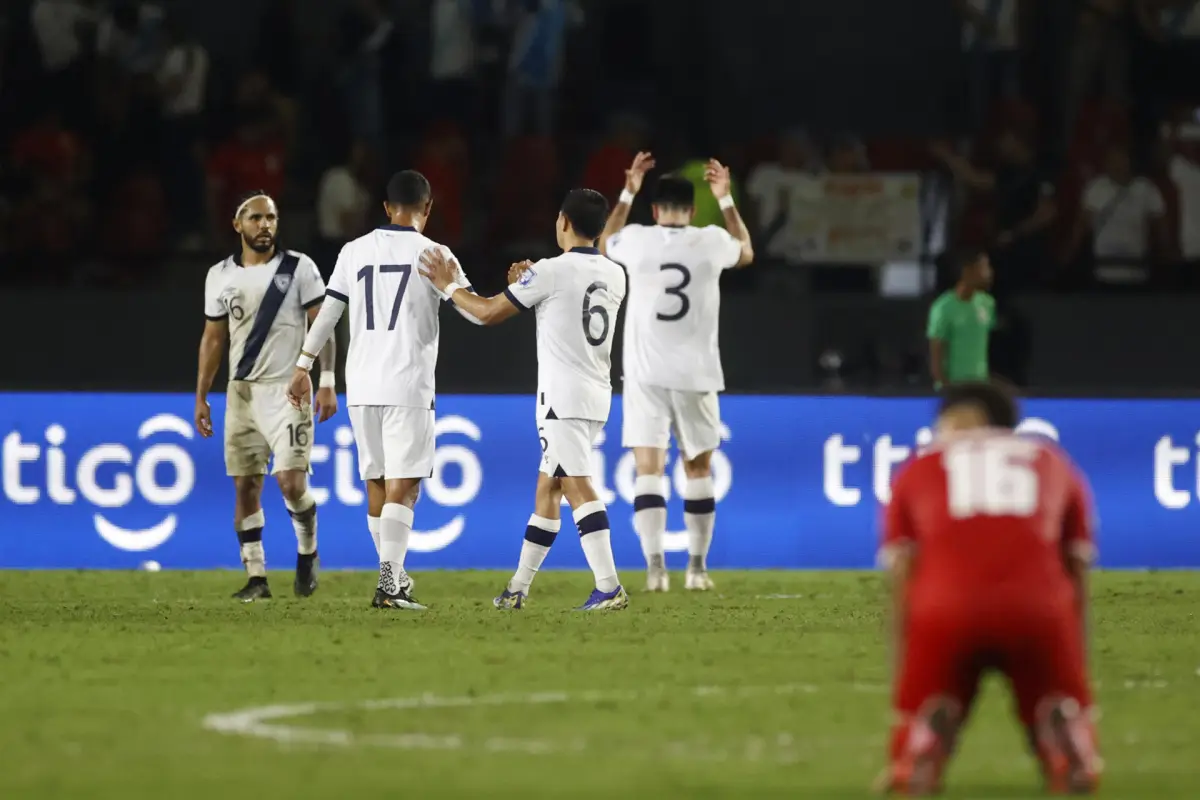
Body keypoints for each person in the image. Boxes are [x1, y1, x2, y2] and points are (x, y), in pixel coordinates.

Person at [877, 381, 1100, 795]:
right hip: (1039, 609)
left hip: (945, 609)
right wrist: (1075, 658)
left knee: (932, 695)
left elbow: (903, 573)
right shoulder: (1052, 462)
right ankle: (1062, 732)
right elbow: (1077, 571)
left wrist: (904, 677)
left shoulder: (921, 467)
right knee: (1052, 695)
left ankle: (922, 738)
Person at [417, 189, 629, 612]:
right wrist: (529, 282)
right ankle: (517, 588)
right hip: (596, 394)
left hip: (562, 398)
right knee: (548, 487)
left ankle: (609, 586)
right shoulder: (616, 273)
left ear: (563, 221)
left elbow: (486, 313)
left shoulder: (551, 271)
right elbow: (566, 303)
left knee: (575, 484)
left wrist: (447, 285)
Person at [287, 171, 479, 611]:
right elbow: (473, 312)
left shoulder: (353, 250)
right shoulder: (435, 253)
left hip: (361, 384)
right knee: (405, 487)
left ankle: (394, 577)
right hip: (408, 383)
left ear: (387, 207)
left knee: (377, 481)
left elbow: (328, 313)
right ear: (427, 207)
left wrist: (303, 366)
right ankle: (390, 585)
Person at [598, 155, 753, 592]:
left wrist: (627, 191)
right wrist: (726, 201)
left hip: (645, 374)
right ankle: (697, 570)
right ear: (693, 209)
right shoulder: (710, 240)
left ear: (655, 209)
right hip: (697, 374)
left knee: (648, 468)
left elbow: (605, 242)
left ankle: (655, 570)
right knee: (698, 468)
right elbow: (746, 251)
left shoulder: (638, 239)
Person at [195, 191, 338, 602]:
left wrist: (326, 379)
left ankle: (307, 551)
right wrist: (201, 395)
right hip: (241, 393)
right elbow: (213, 338)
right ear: (237, 224)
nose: (265, 225)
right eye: (256, 218)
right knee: (245, 486)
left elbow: (323, 325)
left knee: (291, 483)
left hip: (288, 390)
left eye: (271, 218)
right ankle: (256, 578)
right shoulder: (219, 275)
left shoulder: (299, 268)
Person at [927, 252, 995, 389]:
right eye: (983, 267)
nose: (989, 273)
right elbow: (936, 352)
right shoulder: (943, 307)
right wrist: (945, 386)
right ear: (967, 271)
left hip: (979, 386)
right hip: (954, 387)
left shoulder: (987, 303)